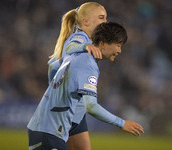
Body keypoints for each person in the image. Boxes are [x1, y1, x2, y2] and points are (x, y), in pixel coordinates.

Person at [27, 22, 144, 150]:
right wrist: (122, 123)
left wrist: (54, 90)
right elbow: (91, 106)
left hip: (45, 128)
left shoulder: (78, 54)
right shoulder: (88, 65)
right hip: (49, 133)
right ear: (103, 43)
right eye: (118, 45)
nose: (119, 50)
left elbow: (52, 65)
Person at [48, 2, 107, 150]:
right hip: (66, 114)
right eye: (101, 17)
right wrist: (84, 47)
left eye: (105, 18)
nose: (105, 22)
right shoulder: (80, 38)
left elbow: (52, 65)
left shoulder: (89, 40)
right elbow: (71, 47)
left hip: (75, 114)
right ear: (85, 21)